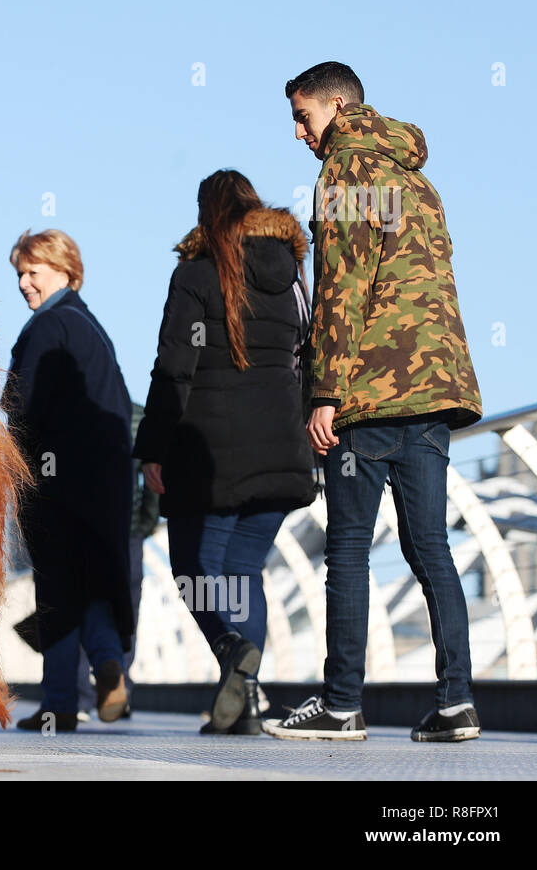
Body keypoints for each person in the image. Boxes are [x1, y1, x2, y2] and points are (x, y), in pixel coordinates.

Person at [265, 62, 483, 742]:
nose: (298, 134)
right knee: (431, 551)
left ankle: (341, 704)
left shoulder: (345, 172)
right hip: (434, 391)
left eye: (303, 117)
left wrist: (324, 394)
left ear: (337, 104)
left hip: (370, 393)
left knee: (349, 550)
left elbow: (341, 288)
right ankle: (456, 704)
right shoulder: (417, 177)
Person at [133, 170, 316, 735]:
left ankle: (232, 648)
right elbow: (308, 358)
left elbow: (174, 367)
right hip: (284, 447)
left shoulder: (195, 273)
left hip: (209, 453)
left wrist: (154, 448)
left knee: (194, 572)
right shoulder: (292, 277)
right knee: (243, 570)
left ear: (206, 212)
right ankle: (245, 707)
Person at [2, 229, 134, 732]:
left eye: (33, 271)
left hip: (54, 480)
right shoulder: (92, 328)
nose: (23, 283)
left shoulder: (47, 328)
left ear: (65, 271)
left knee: (56, 587)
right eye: (19, 272)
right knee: (91, 583)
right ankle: (104, 662)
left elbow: (22, 406)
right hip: (103, 480)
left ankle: (60, 701)